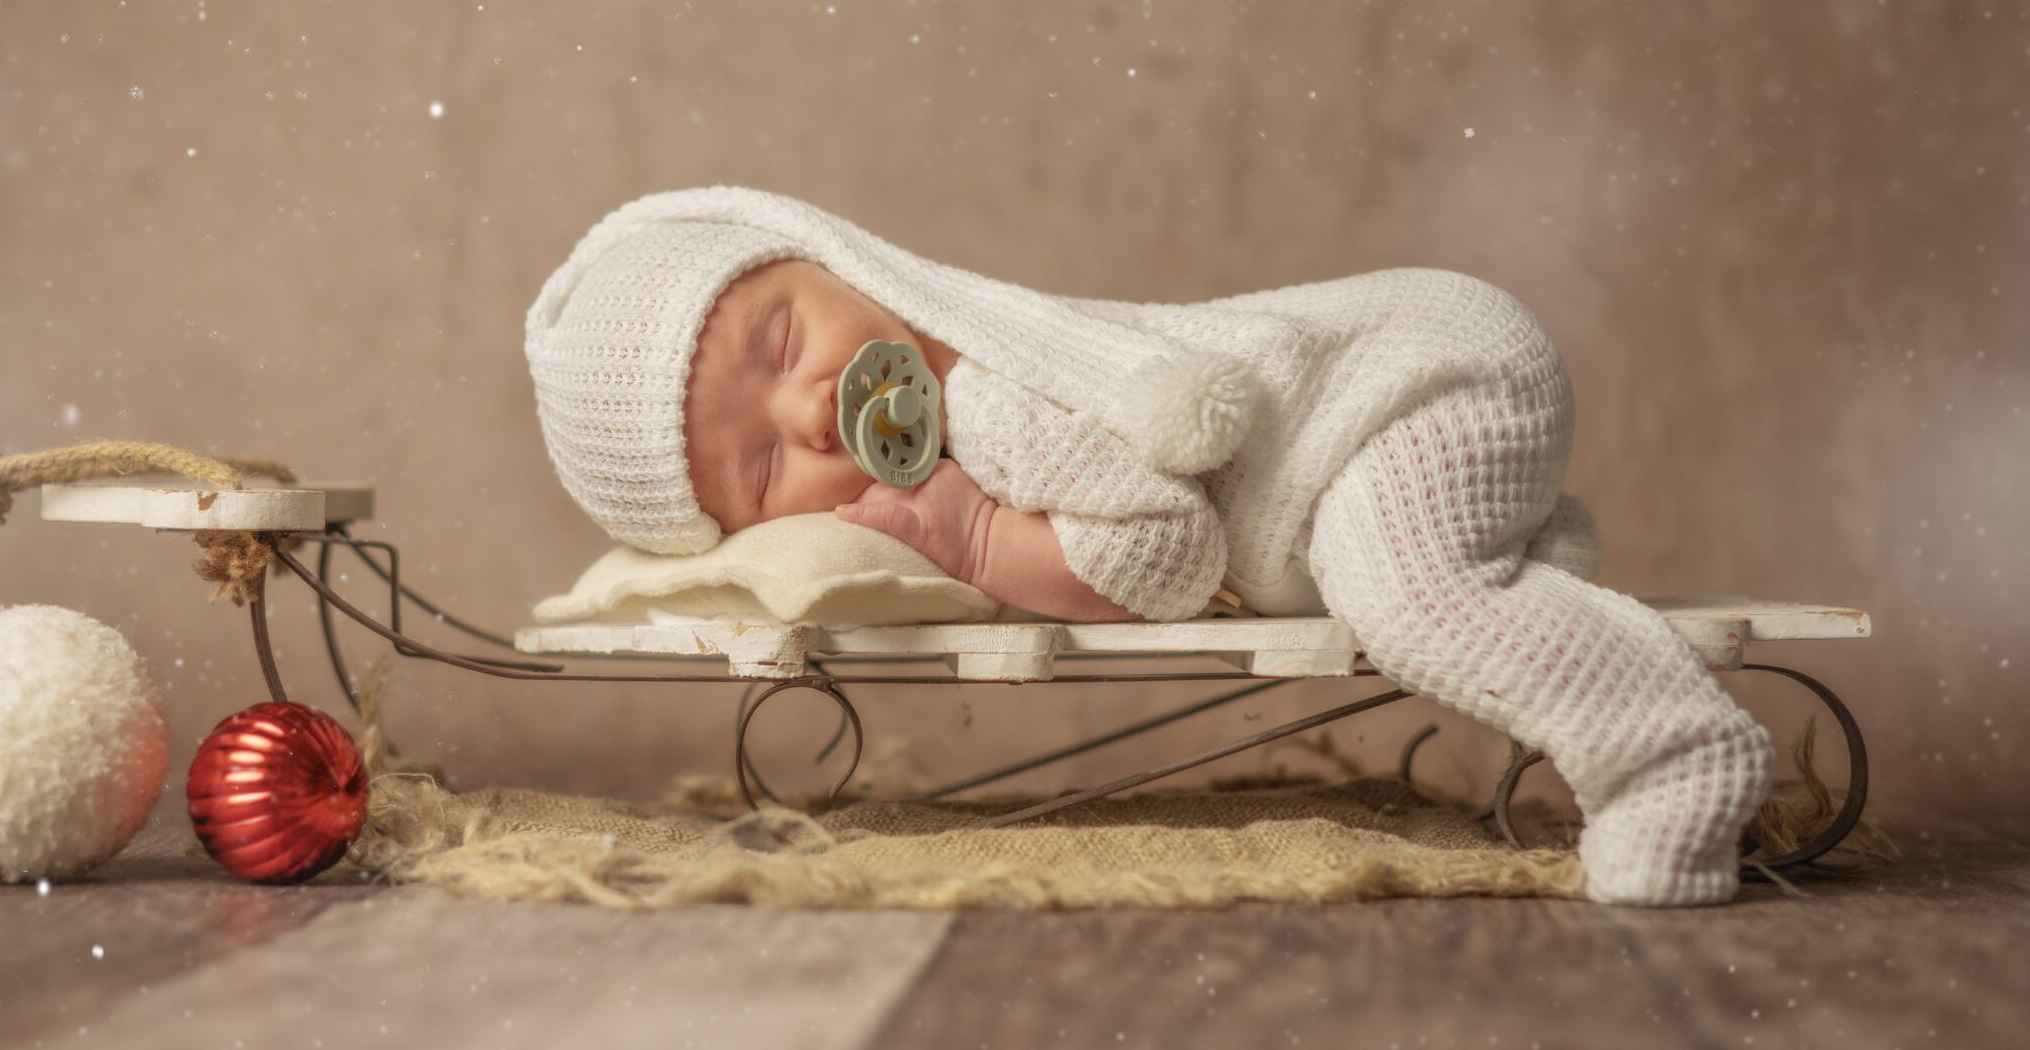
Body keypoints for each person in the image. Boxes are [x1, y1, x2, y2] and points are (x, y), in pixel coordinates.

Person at [524, 184, 1773, 905]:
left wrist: (971, 534)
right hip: (1414, 380)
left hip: (1417, 387)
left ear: (826, 263)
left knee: (1400, 599)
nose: (808, 412)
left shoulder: (990, 400)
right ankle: (1514, 560)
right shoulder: (959, 384)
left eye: (784, 343)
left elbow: (1167, 559)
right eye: (762, 468)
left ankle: (1675, 755)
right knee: (1408, 566)